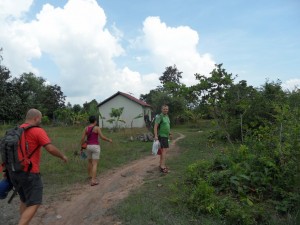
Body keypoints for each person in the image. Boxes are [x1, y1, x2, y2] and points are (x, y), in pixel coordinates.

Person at [7, 108, 68, 225]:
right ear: (36, 118)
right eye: (40, 118)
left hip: (14, 171)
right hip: (29, 173)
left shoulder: (17, 130)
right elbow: (50, 148)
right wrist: (62, 156)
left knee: (24, 200)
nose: (41, 120)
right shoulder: (37, 131)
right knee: (35, 202)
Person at [81, 115, 112, 186]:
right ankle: (93, 180)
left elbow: (82, 138)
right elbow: (102, 137)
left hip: (88, 146)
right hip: (95, 147)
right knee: (95, 164)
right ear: (95, 121)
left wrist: (82, 146)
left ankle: (90, 176)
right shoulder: (97, 128)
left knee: (89, 162)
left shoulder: (86, 128)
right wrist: (109, 140)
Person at [154, 104, 172, 173]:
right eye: (164, 109)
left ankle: (161, 164)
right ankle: (162, 166)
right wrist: (156, 136)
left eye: (167, 109)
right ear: (161, 110)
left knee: (163, 151)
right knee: (164, 151)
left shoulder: (167, 116)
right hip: (162, 136)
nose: (165, 110)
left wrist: (170, 133)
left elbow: (168, 126)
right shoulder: (160, 116)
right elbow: (155, 126)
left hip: (166, 136)